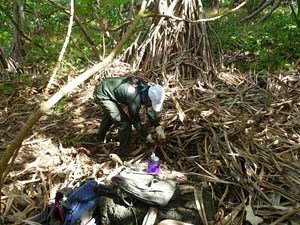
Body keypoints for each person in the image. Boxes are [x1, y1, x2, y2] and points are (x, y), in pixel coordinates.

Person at [95, 76, 166, 157]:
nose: (150, 105)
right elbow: (136, 122)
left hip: (109, 86)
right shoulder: (134, 100)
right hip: (104, 94)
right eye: (151, 103)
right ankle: (122, 154)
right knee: (124, 124)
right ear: (147, 99)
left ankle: (99, 138)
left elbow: (149, 108)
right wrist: (147, 136)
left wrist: (157, 126)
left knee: (112, 115)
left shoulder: (146, 89)